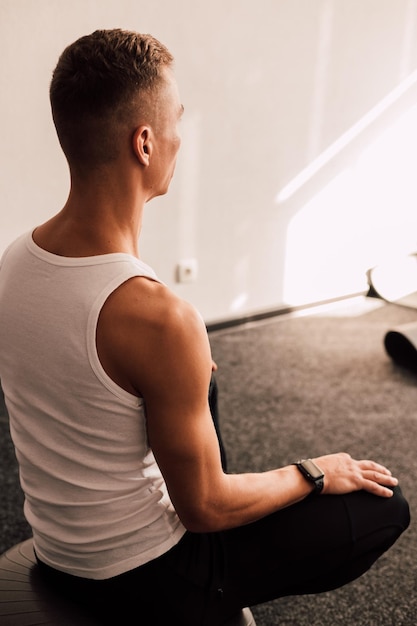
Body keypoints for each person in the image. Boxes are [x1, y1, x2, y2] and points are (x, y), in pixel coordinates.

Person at [0, 29, 410, 626]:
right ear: (144, 142)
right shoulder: (157, 318)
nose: (178, 138)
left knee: (197, 385)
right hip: (147, 576)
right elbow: (205, 509)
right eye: (176, 121)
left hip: (58, 551)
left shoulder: (15, 259)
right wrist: (317, 473)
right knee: (386, 508)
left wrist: (179, 368)